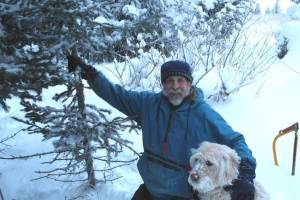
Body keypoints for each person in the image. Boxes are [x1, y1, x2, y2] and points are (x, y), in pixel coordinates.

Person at [67, 55, 257, 200]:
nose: (175, 86)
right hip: (151, 189)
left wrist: (246, 174)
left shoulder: (203, 114)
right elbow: (118, 95)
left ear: (189, 84)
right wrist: (91, 74)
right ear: (163, 84)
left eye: (180, 81)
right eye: (169, 81)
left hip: (184, 194)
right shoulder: (148, 104)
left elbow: (236, 141)